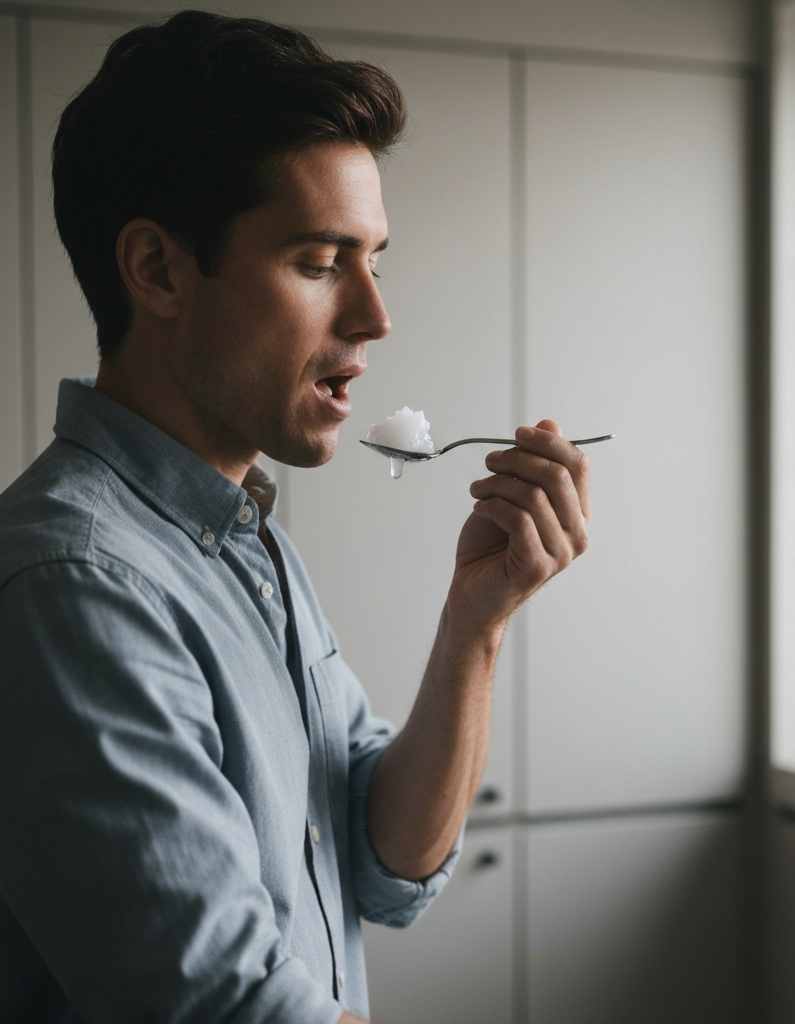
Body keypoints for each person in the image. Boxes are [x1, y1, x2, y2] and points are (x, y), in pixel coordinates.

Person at [0, 12, 592, 1024]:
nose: (373, 315)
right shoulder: (75, 583)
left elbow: (379, 855)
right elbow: (227, 1007)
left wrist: (475, 623)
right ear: (157, 270)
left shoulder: (242, 536)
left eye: (375, 259)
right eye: (321, 261)